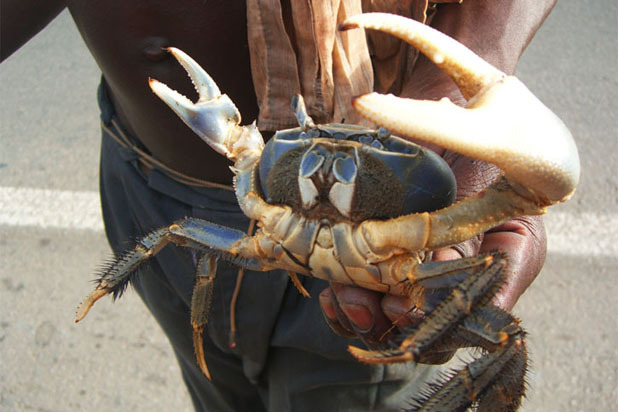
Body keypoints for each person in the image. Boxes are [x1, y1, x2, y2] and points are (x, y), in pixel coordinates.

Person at [1, 1, 556, 410]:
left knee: (498, 342)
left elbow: (529, 192)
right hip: (159, 185)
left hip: (394, 251)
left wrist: (471, 75)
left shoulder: (436, 225)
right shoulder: (245, 180)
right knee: (215, 390)